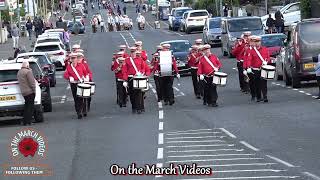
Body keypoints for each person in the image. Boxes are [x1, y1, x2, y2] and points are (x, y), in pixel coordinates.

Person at [244, 35, 271, 103]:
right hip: (255, 69)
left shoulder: (265, 49)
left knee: (264, 83)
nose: (257, 43)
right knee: (257, 83)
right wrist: (248, 67)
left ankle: (265, 96)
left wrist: (266, 61)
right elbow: (249, 59)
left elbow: (268, 57)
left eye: (258, 41)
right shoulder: (252, 51)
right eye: (256, 42)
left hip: (263, 68)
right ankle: (258, 97)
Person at [64, 53, 89, 119]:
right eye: (72, 58)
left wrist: (86, 78)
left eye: (74, 58)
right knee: (76, 98)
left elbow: (86, 73)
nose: (74, 59)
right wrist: (69, 77)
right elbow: (65, 75)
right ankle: (78, 112)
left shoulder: (81, 65)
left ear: (76, 58)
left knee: (82, 97)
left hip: (81, 83)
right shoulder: (69, 67)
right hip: (74, 84)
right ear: (71, 59)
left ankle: (84, 111)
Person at [124, 47, 148, 113]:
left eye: (134, 52)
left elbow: (143, 68)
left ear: (136, 52)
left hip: (138, 77)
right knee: (132, 94)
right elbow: (124, 71)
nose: (133, 53)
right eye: (132, 52)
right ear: (130, 53)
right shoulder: (127, 60)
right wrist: (125, 80)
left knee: (139, 93)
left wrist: (141, 73)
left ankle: (139, 108)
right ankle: (134, 107)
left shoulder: (140, 59)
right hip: (130, 78)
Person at [17, 60, 36, 126]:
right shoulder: (28, 72)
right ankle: (29, 121)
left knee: (26, 106)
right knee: (30, 107)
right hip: (30, 91)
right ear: (27, 65)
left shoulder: (19, 72)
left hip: (23, 92)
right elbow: (32, 82)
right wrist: (34, 90)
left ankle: (25, 121)